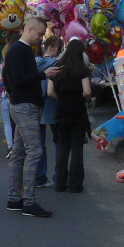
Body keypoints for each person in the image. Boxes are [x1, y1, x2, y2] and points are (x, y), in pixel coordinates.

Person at [3, 17, 61, 218]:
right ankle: (28, 201)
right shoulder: (19, 50)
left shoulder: (19, 50)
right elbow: (18, 80)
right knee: (34, 151)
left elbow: (9, 79)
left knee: (19, 153)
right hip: (25, 106)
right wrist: (44, 74)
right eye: (39, 34)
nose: (40, 38)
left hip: (22, 104)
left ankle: (14, 198)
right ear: (29, 29)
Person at [48, 38, 91, 193]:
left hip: (61, 110)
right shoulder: (82, 70)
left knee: (63, 147)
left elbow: (49, 91)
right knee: (77, 147)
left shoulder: (58, 67)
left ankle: (60, 183)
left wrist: (60, 98)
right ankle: (75, 183)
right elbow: (87, 92)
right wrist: (81, 98)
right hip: (77, 110)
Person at [36, 35, 64, 188]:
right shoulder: (56, 65)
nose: (57, 54)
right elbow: (52, 90)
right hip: (53, 106)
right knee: (59, 142)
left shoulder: (35, 63)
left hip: (37, 106)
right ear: (52, 48)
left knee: (39, 144)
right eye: (57, 50)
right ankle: (58, 175)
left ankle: (40, 177)